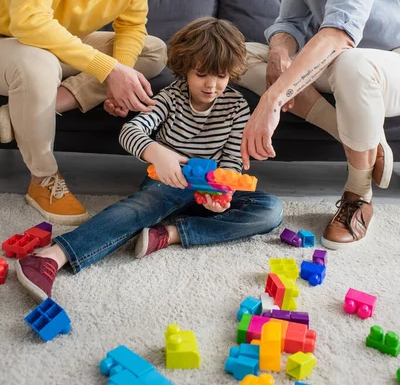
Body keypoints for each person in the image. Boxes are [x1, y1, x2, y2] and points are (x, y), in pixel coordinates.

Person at [15, 17, 283, 303]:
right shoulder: (170, 97)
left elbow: (231, 161)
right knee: (137, 209)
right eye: (202, 74)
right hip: (167, 182)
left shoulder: (237, 106)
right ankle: (51, 256)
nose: (212, 85)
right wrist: (158, 153)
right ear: (185, 69)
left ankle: (169, 233)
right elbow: (130, 131)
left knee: (270, 209)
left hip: (209, 188)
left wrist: (222, 194)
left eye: (221, 75)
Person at [239, 0, 400, 250]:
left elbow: (341, 32)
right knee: (236, 54)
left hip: (387, 61)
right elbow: (288, 20)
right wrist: (279, 49)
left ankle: (358, 195)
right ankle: (370, 141)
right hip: (342, 63)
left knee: (350, 62)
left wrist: (274, 99)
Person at [0, 0, 169, 225]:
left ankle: (15, 117)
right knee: (40, 64)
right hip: (10, 39)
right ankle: (43, 181)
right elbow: (29, 22)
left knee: (154, 50)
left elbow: (132, 26)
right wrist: (108, 71)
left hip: (62, 41)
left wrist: (119, 74)